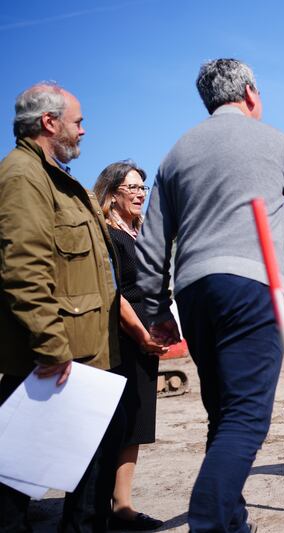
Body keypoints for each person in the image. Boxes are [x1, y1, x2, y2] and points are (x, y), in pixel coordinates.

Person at [135, 58, 284, 533]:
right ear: (250, 92)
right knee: (247, 418)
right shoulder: (274, 141)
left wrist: (155, 311)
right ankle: (208, 523)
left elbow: (152, 243)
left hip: (193, 292)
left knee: (223, 413)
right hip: (251, 285)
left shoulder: (176, 153)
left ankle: (231, 520)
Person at [0, 82, 125, 532]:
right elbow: (23, 268)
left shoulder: (57, 179)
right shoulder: (22, 177)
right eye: (78, 122)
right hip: (57, 362)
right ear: (49, 123)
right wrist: (51, 346)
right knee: (15, 484)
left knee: (92, 481)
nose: (84, 131)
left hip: (85, 358)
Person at [92, 161, 165, 531]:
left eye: (143, 187)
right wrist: (140, 334)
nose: (140, 193)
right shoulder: (107, 235)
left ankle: (122, 503)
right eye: (132, 187)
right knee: (115, 423)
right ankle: (104, 505)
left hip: (145, 336)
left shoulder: (138, 233)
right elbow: (114, 292)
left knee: (136, 422)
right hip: (122, 335)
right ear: (113, 192)